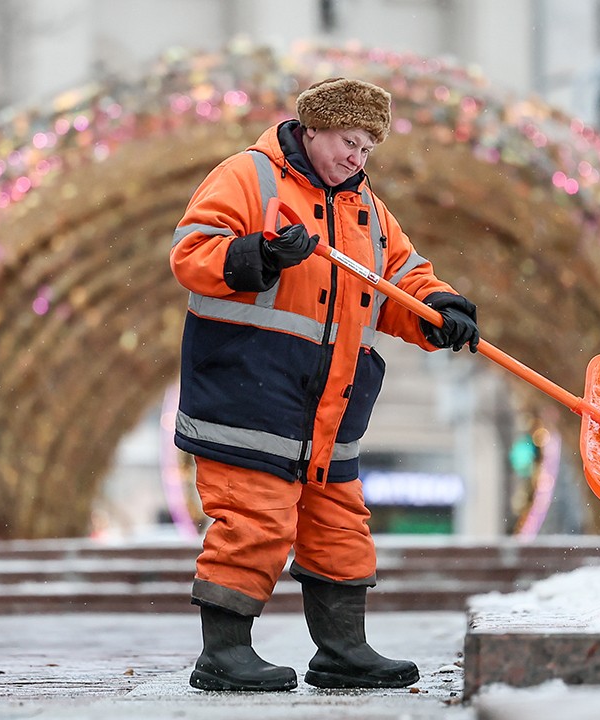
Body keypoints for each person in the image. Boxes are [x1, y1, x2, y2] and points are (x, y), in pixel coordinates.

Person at [170, 77, 480, 692]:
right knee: (252, 520)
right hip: (249, 392)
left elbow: (400, 281)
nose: (356, 158)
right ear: (312, 129)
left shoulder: (368, 210)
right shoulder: (248, 177)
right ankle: (224, 652)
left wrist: (439, 310)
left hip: (332, 410)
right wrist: (258, 254)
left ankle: (343, 649)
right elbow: (192, 251)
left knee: (339, 526)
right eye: (347, 141)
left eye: (367, 148)